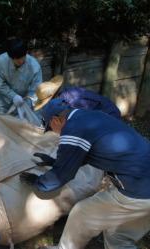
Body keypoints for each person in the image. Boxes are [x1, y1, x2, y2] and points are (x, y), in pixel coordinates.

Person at [20, 98, 150, 249]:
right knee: (119, 236)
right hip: (144, 184)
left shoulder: (73, 128)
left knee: (81, 213)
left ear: (56, 120)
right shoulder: (91, 117)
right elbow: (87, 154)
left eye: (50, 128)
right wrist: (53, 162)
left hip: (138, 192)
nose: (53, 132)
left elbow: (62, 176)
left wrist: (38, 182)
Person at [34, 75, 121, 119]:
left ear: (51, 98)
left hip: (109, 114)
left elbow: (82, 122)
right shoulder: (65, 94)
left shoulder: (70, 102)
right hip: (100, 113)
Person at [0, 39, 42, 115]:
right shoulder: (1, 61)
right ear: (10, 56)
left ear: (26, 53)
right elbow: (0, 84)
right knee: (0, 124)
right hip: (3, 102)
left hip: (23, 102)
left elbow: (35, 90)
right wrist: (13, 96)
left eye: (23, 57)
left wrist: (27, 105)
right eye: (16, 59)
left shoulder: (35, 66)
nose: (20, 61)